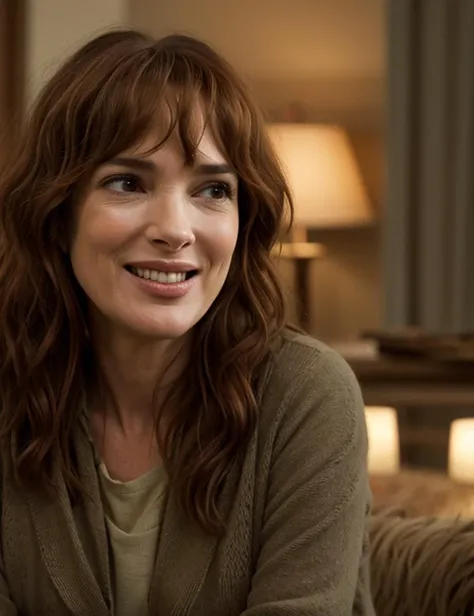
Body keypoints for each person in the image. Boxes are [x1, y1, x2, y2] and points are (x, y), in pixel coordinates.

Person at [0, 29, 375, 615]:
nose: (175, 229)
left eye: (212, 190)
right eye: (127, 183)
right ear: (56, 213)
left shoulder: (307, 397)